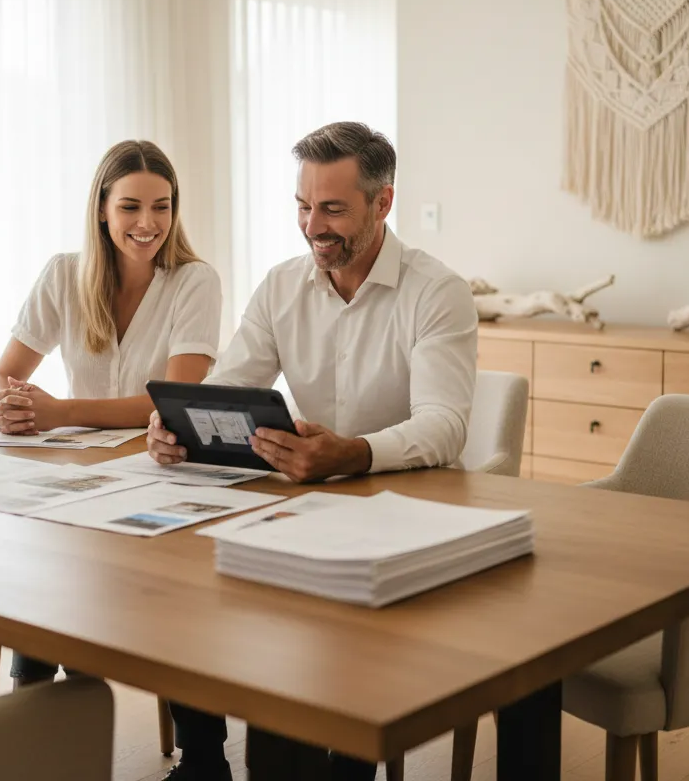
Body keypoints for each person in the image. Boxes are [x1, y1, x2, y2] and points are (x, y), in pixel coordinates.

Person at [147, 122, 479, 780]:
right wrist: (178, 425)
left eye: (332, 208)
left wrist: (352, 453)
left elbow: (444, 426)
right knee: (184, 575)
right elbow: (231, 386)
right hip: (305, 499)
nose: (312, 225)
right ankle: (204, 760)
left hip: (402, 507)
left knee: (299, 635)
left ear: (383, 203)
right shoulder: (280, 286)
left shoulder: (436, 291)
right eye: (303, 205)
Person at [0, 139, 221, 688]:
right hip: (78, 478)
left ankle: (197, 754)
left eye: (162, 206)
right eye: (130, 207)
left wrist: (58, 412)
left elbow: (173, 400)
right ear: (102, 209)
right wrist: (4, 406)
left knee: (92, 571)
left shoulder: (195, 281)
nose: (148, 222)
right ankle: (38, 714)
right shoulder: (64, 275)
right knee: (44, 557)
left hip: (160, 473)